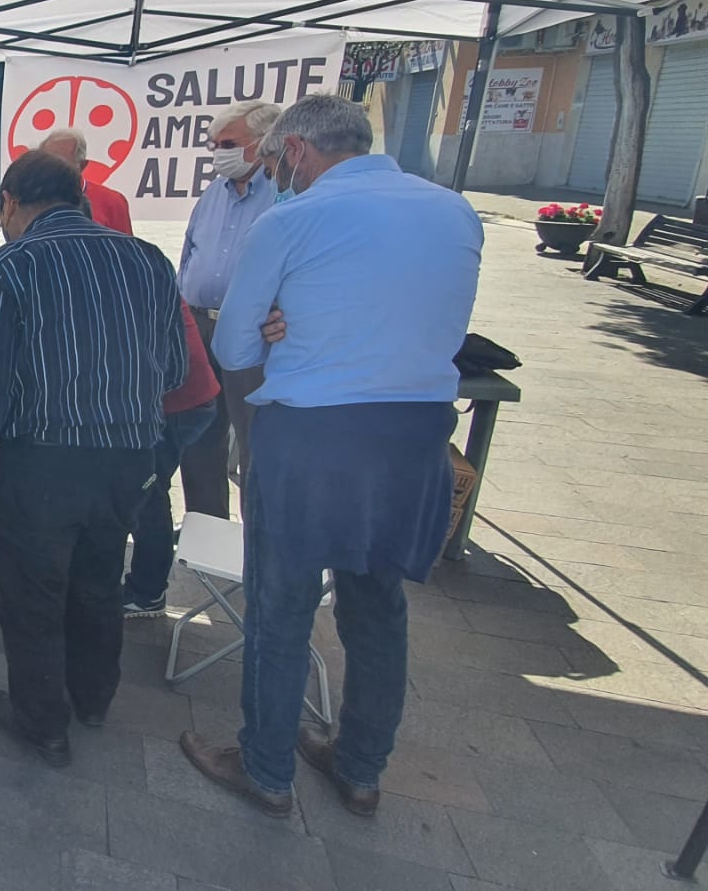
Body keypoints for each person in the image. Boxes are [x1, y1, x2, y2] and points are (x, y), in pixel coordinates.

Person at [179, 95, 483, 820]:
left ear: (298, 153)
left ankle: (266, 769)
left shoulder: (291, 219)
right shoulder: (455, 212)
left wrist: (284, 324)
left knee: (281, 606)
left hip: (311, 436)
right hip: (414, 436)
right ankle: (360, 768)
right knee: (377, 606)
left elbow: (234, 349)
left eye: (281, 160)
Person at [0, 151, 184, 767]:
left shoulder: (11, 266)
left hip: (44, 465)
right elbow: (175, 370)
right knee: (101, 579)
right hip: (130, 461)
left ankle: (43, 722)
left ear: (13, 203)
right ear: (78, 197)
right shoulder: (148, 259)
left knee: (31, 596)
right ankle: (94, 697)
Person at [177, 99, 282, 519]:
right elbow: (190, 252)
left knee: (257, 436)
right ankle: (206, 525)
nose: (218, 151)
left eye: (228, 143)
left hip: (255, 334)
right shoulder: (213, 194)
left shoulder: (284, 194)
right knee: (199, 432)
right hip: (200, 325)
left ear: (262, 144)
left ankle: (261, 531)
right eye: (213, 143)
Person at [120, 304, 221, 617]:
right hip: (182, 399)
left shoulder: (127, 286)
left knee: (146, 493)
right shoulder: (139, 271)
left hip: (177, 405)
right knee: (147, 488)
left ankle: (148, 592)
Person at [37, 129, 132, 234]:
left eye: (60, 164)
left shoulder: (112, 201)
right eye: (45, 161)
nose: (50, 168)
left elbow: (126, 247)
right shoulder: (26, 198)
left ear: (82, 166)